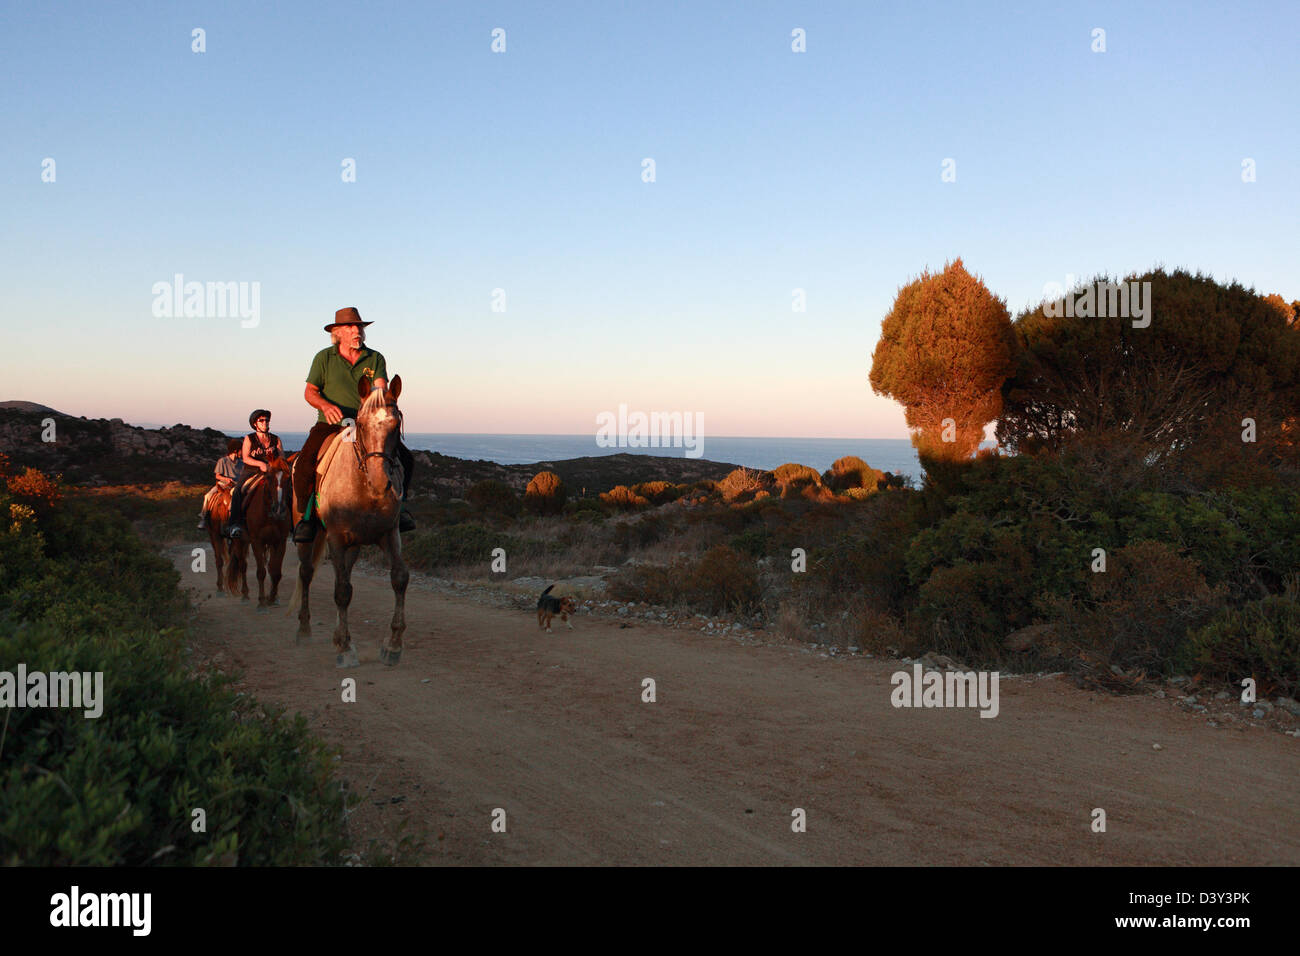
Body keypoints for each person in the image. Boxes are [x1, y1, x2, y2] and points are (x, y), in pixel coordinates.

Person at [291, 307, 416, 543]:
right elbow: (310, 392)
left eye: (359, 326)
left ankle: (401, 509)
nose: (357, 330)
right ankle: (306, 518)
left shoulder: (375, 358)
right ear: (337, 332)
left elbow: (379, 388)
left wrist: (377, 407)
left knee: (406, 459)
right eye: (350, 326)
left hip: (365, 424)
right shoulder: (323, 358)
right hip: (330, 423)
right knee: (304, 464)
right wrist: (325, 406)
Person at [225, 409, 286, 538]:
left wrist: (275, 466)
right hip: (252, 471)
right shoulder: (249, 438)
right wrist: (260, 464)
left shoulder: (276, 439)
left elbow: (281, 457)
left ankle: (292, 522)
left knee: (287, 488)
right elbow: (246, 458)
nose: (265, 423)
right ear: (255, 424)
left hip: (272, 471)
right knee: (238, 490)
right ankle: (235, 524)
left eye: (267, 420)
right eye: (261, 420)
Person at [198, 438, 244, 530]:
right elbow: (217, 476)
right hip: (223, 484)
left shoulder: (242, 463)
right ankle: (203, 518)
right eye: (241, 450)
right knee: (208, 495)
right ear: (235, 451)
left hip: (236, 485)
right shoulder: (222, 461)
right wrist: (226, 479)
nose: (242, 452)